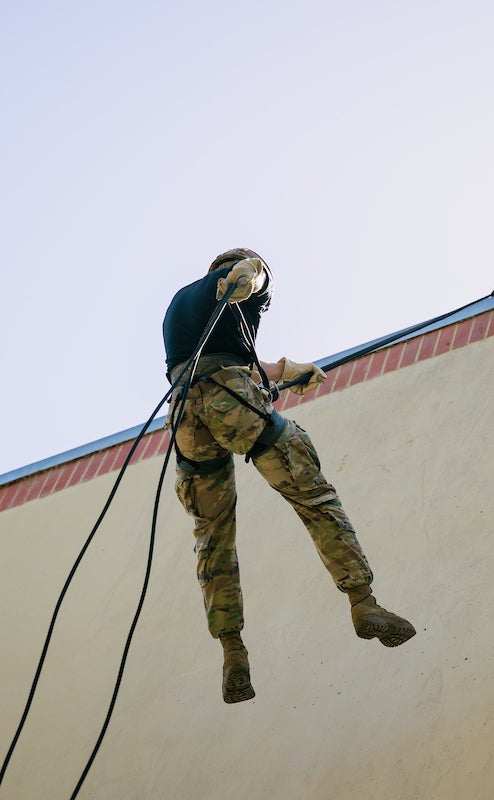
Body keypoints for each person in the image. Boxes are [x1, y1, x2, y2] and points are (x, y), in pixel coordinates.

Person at [162, 247, 416, 704]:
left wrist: (290, 372)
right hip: (231, 403)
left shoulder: (181, 304)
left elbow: (224, 359)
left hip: (184, 421)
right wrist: (249, 278)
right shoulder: (241, 280)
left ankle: (232, 650)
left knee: (212, 535)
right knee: (312, 495)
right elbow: (250, 277)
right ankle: (363, 603)